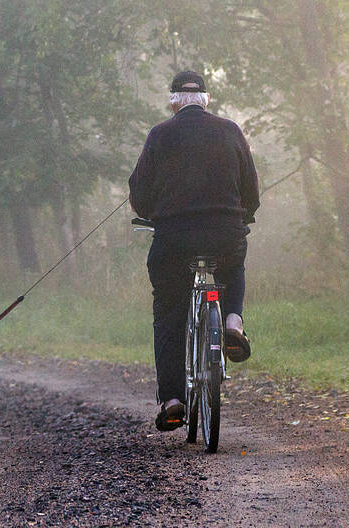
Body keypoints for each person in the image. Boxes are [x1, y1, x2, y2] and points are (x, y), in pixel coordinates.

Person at [128, 71, 260, 432]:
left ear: (174, 102)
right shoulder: (231, 131)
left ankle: (172, 399)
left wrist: (152, 214)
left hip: (174, 241)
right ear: (205, 100)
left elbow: (139, 195)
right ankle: (232, 322)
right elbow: (251, 192)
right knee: (233, 266)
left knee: (169, 310)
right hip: (225, 234)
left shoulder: (159, 135)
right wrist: (242, 216)